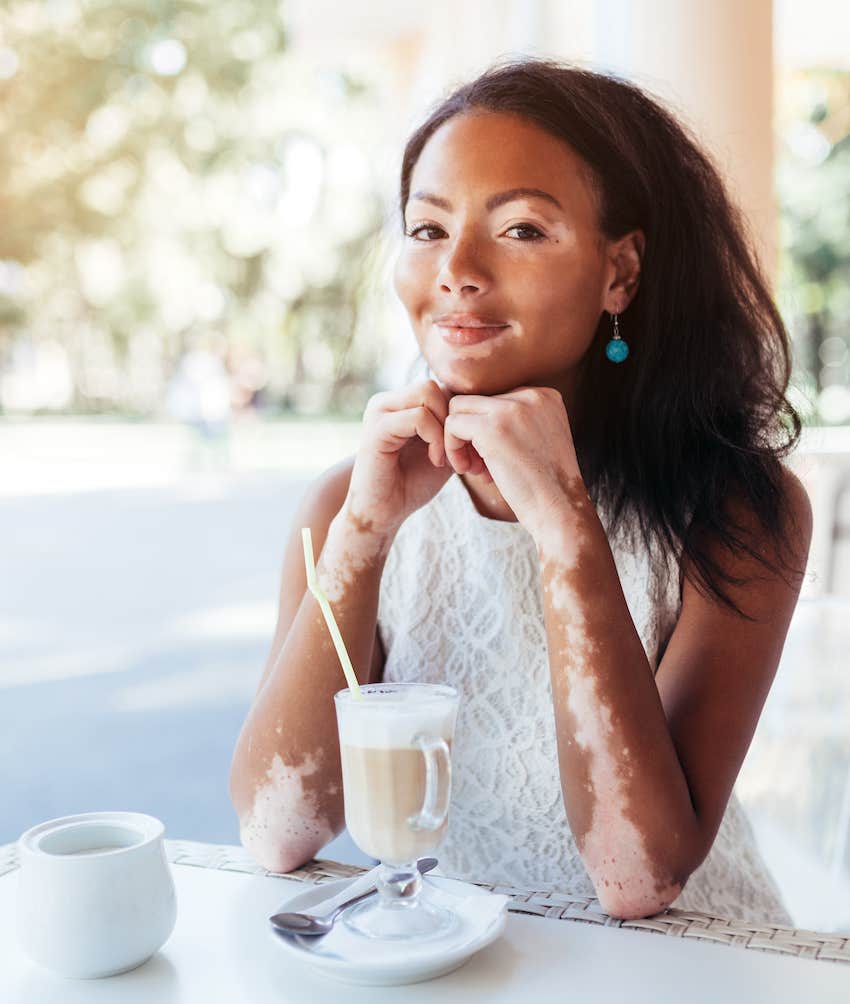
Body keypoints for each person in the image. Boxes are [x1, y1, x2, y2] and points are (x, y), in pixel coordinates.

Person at [229, 57, 813, 923]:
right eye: (427, 229)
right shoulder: (345, 508)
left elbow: (637, 878)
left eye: (523, 230)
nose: (456, 270)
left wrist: (566, 529)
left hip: (687, 968)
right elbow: (279, 832)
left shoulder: (737, 513)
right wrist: (364, 531)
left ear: (620, 274)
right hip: (458, 959)